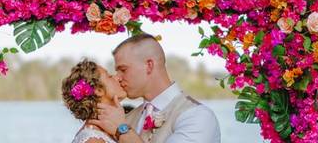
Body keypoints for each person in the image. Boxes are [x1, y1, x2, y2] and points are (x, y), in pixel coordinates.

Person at [88, 33, 221, 142]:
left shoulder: (197, 116)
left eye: (123, 69)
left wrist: (121, 129)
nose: (118, 77)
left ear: (149, 65)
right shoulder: (126, 117)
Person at [62, 59, 129, 143]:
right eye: (109, 76)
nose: (117, 78)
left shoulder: (106, 131)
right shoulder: (93, 140)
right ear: (98, 90)